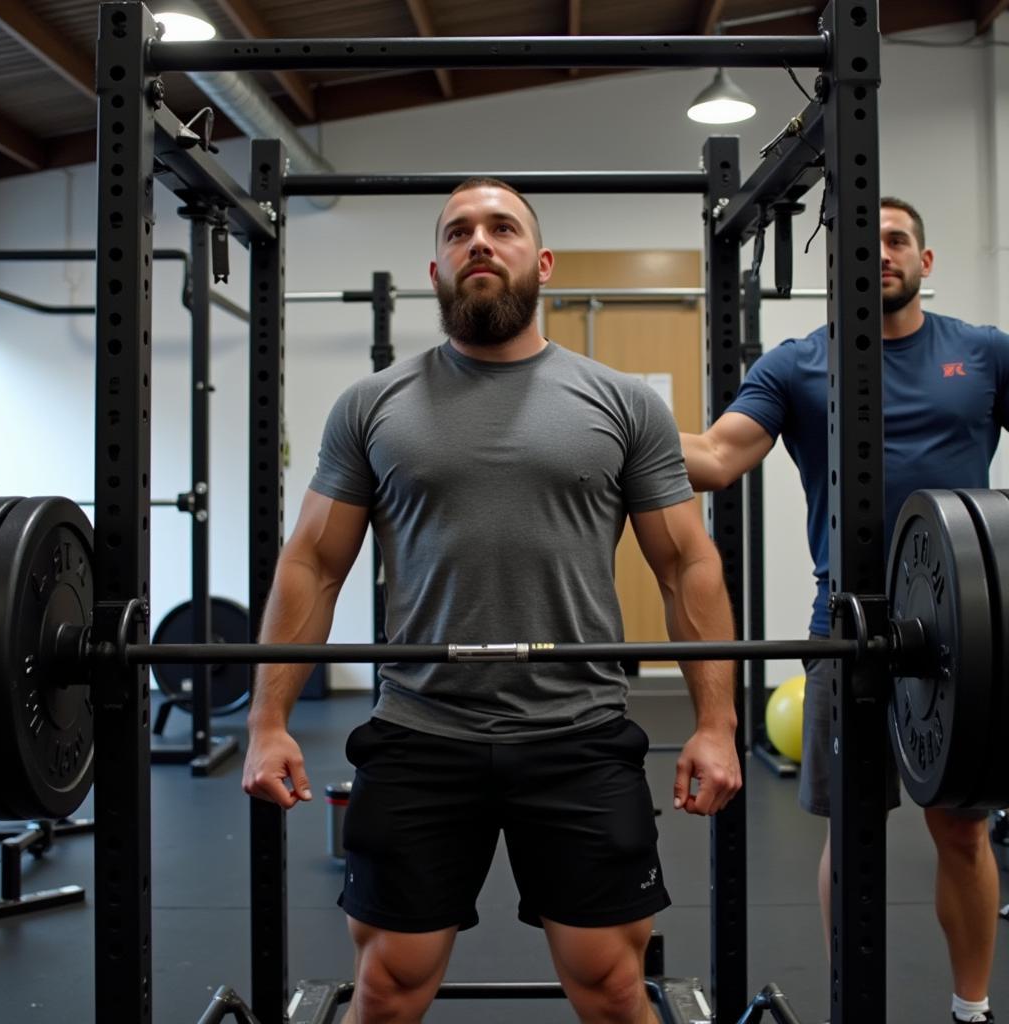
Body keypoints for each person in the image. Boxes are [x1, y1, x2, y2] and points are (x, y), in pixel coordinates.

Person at [242, 177, 743, 1024]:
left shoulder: (624, 402)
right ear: (434, 269)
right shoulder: (372, 404)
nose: (480, 241)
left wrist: (716, 724)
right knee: (390, 987)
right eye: (459, 231)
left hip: (579, 732)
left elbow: (685, 565)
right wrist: (266, 723)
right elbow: (314, 565)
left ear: (540, 262)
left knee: (615, 985)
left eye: (502, 227)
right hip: (419, 731)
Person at [681, 197, 1008, 1024]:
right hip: (847, 629)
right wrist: (602, 421)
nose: (881, 253)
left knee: (963, 832)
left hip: (965, 629)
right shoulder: (795, 366)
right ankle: (849, 1006)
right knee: (852, 831)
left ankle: (972, 1009)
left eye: (898, 240)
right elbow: (717, 458)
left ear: (924, 262)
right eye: (866, 240)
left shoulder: (982, 353)